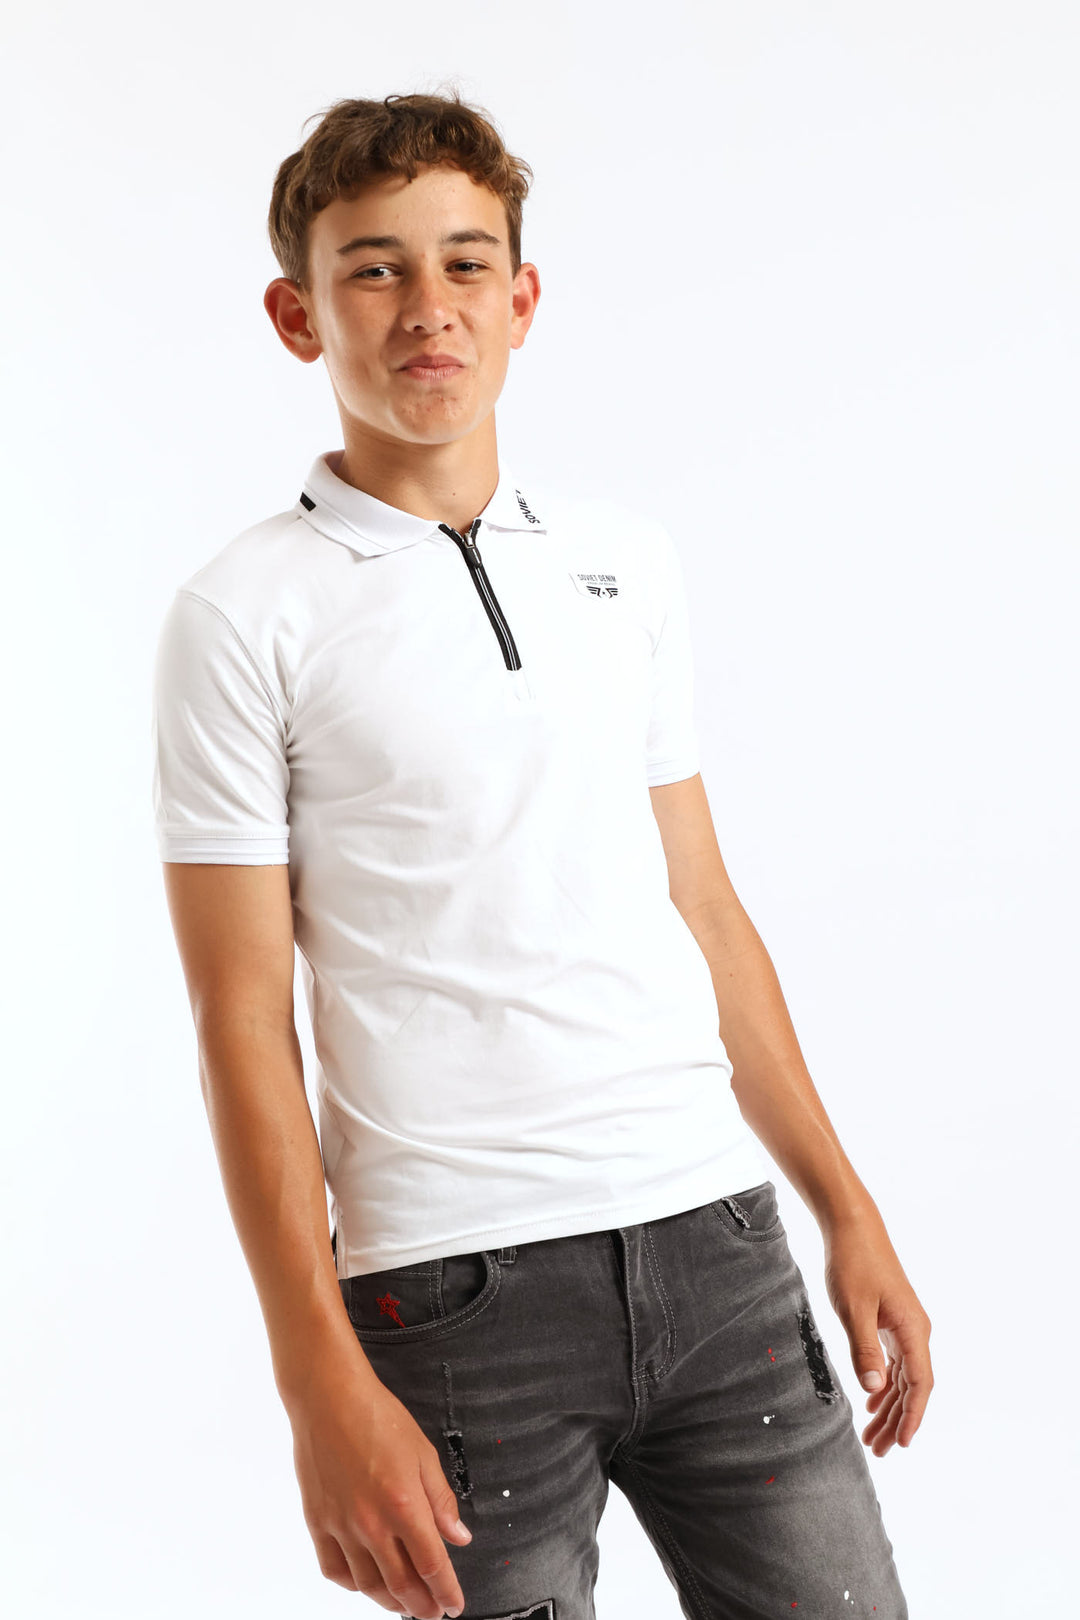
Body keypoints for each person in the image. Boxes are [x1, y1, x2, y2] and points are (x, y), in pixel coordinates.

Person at [151, 91, 931, 1620]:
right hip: (456, 1298)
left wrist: (846, 1208)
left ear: (521, 300)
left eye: (464, 263)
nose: (426, 307)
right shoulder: (242, 616)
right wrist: (317, 1380)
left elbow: (704, 908)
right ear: (298, 316)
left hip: (718, 1246)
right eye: (373, 269)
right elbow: (240, 1017)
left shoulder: (625, 565)